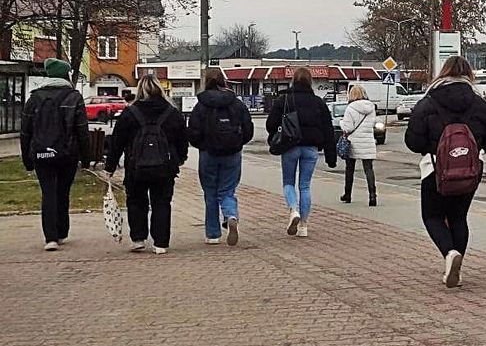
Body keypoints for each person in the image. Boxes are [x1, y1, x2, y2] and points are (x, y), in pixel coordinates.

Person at [405, 56, 486, 288]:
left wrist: (432, 149)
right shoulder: (479, 103)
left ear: (443, 73)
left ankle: (449, 254)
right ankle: (457, 265)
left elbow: (413, 141)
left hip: (434, 169)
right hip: (470, 170)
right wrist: (475, 151)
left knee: (432, 216)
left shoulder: (428, 102)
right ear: (469, 75)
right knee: (459, 217)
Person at [104, 75, 188, 254]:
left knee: (135, 201)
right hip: (164, 167)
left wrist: (110, 166)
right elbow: (182, 139)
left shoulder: (130, 113)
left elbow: (117, 141)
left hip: (136, 166)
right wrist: (180, 159)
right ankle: (161, 243)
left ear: (140, 90)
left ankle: (138, 238)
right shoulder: (172, 112)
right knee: (162, 202)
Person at [20, 58, 90, 251]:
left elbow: (25, 131)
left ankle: (50, 237)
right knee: (63, 191)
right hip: (68, 154)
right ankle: (61, 231)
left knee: (48, 192)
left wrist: (27, 159)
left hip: (41, 154)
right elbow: (82, 130)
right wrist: (86, 158)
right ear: (65, 75)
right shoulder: (74, 97)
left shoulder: (34, 98)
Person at [187, 68, 254, 246]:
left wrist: (201, 145)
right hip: (232, 153)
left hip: (208, 153)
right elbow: (248, 129)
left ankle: (213, 234)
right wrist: (238, 143)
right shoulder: (237, 103)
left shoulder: (201, 104)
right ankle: (231, 215)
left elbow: (192, 131)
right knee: (227, 190)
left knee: (210, 192)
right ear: (223, 81)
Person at [266, 67, 336, 237]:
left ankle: (293, 210)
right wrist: (331, 156)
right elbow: (328, 129)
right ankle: (303, 226)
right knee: (305, 186)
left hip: (290, 146)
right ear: (310, 82)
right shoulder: (318, 102)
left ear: (293, 81)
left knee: (288, 182)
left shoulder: (284, 100)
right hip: (311, 148)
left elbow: (270, 124)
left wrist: (276, 134)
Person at [339, 84, 379, 206]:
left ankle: (348, 194)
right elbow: (372, 124)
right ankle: (372, 196)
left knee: (350, 169)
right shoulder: (371, 108)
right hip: (367, 140)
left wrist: (341, 122)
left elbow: (348, 127)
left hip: (353, 142)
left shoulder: (350, 108)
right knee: (368, 169)